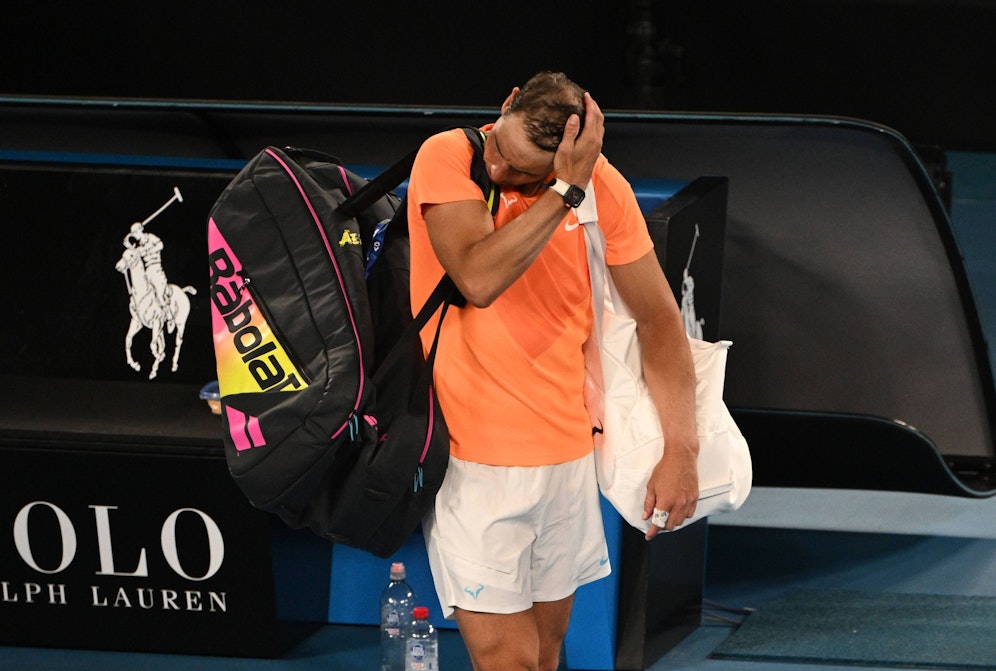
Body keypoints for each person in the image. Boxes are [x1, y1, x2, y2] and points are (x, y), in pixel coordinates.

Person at [406, 71, 700, 671]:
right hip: (472, 463)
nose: (499, 172)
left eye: (523, 173)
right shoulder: (449, 157)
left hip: (566, 462)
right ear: (507, 101)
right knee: (507, 660)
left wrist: (682, 450)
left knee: (543, 658)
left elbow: (660, 322)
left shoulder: (604, 189)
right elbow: (478, 279)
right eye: (502, 152)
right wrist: (561, 192)